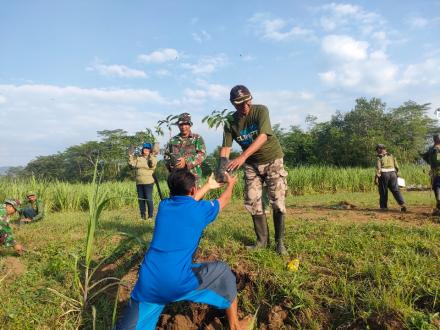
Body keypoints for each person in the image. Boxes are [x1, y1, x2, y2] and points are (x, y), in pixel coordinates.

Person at [116, 169, 251, 330]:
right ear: (193, 189)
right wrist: (231, 184)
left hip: (148, 282)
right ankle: (235, 325)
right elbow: (224, 200)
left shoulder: (164, 206)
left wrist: (208, 186)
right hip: (178, 281)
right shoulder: (200, 210)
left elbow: (189, 200)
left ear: (171, 189)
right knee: (223, 271)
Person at [219, 85, 288, 255]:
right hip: (252, 166)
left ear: (251, 98)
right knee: (253, 200)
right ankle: (262, 241)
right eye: (239, 104)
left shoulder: (261, 111)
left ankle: (280, 243)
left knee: (277, 201)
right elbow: (226, 148)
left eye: (247, 102)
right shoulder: (230, 122)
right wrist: (221, 170)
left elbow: (263, 136)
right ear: (232, 104)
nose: (244, 107)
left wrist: (242, 157)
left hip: (272, 159)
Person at [164, 113, 206, 186]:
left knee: (195, 197)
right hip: (177, 177)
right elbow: (166, 156)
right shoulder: (172, 140)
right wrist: (171, 165)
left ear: (190, 125)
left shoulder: (197, 138)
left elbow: (202, 154)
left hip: (193, 177)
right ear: (178, 126)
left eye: (186, 124)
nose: (183, 127)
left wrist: (186, 161)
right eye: (181, 125)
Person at [129, 143, 157, 220]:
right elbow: (132, 165)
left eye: (148, 149)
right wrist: (131, 156)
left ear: (150, 150)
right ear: (142, 149)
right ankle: (142, 216)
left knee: (148, 199)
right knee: (141, 200)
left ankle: (150, 216)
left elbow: (152, 164)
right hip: (139, 182)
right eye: (145, 148)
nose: (146, 150)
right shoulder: (139, 158)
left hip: (148, 182)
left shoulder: (152, 158)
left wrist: (151, 155)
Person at [374, 144, 407, 212]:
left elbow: (378, 169)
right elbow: (397, 167)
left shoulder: (379, 157)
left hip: (384, 174)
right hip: (393, 174)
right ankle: (402, 204)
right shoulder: (391, 155)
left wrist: (376, 178)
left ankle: (383, 207)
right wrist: (397, 175)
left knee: (383, 191)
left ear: (381, 149)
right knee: (396, 190)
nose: (377, 151)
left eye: (377, 150)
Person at [421, 134, 440, 215]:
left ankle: (438, 202)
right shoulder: (433, 149)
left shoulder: (432, 149)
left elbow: (427, 158)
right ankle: (438, 204)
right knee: (436, 186)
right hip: (435, 171)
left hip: (435, 171)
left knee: (437, 186)